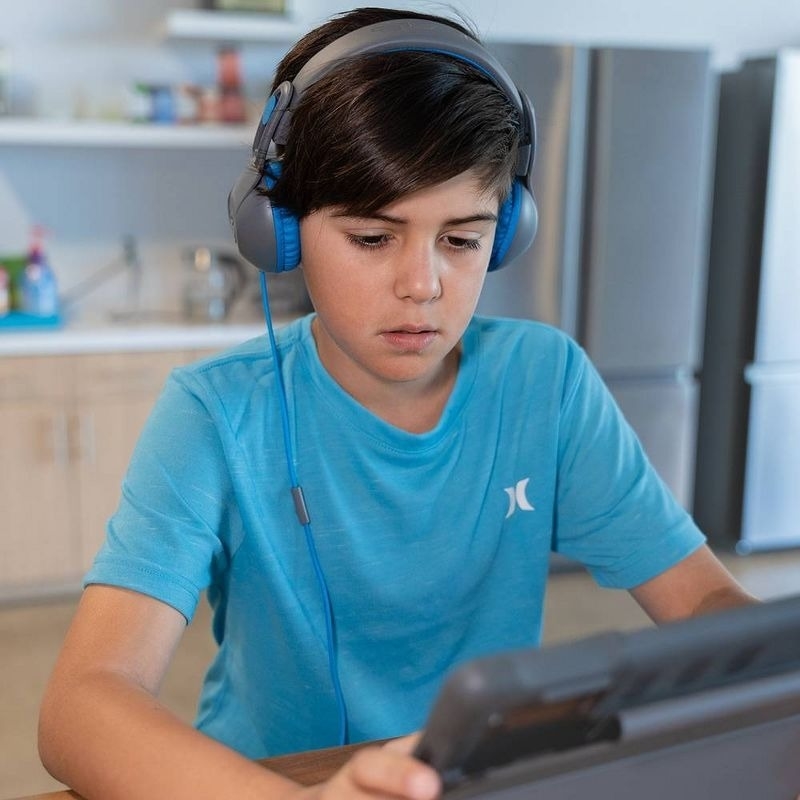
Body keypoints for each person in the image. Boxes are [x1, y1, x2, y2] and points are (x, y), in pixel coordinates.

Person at [38, 7, 756, 800]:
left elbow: (706, 603)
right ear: (280, 229)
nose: (424, 286)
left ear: (507, 230)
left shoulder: (544, 382)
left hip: (477, 778)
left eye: (462, 239)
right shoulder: (215, 414)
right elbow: (82, 705)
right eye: (374, 239)